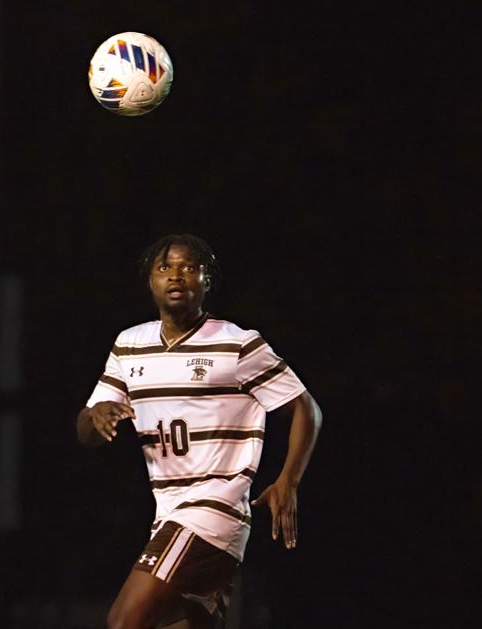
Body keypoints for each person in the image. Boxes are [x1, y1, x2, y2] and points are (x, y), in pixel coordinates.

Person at [76, 234, 322, 629]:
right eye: (165, 267)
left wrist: (288, 480)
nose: (176, 275)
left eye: (189, 267)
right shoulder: (129, 345)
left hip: (213, 510)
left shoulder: (236, 344)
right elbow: (86, 430)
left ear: (207, 281)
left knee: (124, 621)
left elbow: (306, 408)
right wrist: (96, 415)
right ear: (150, 281)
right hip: (168, 513)